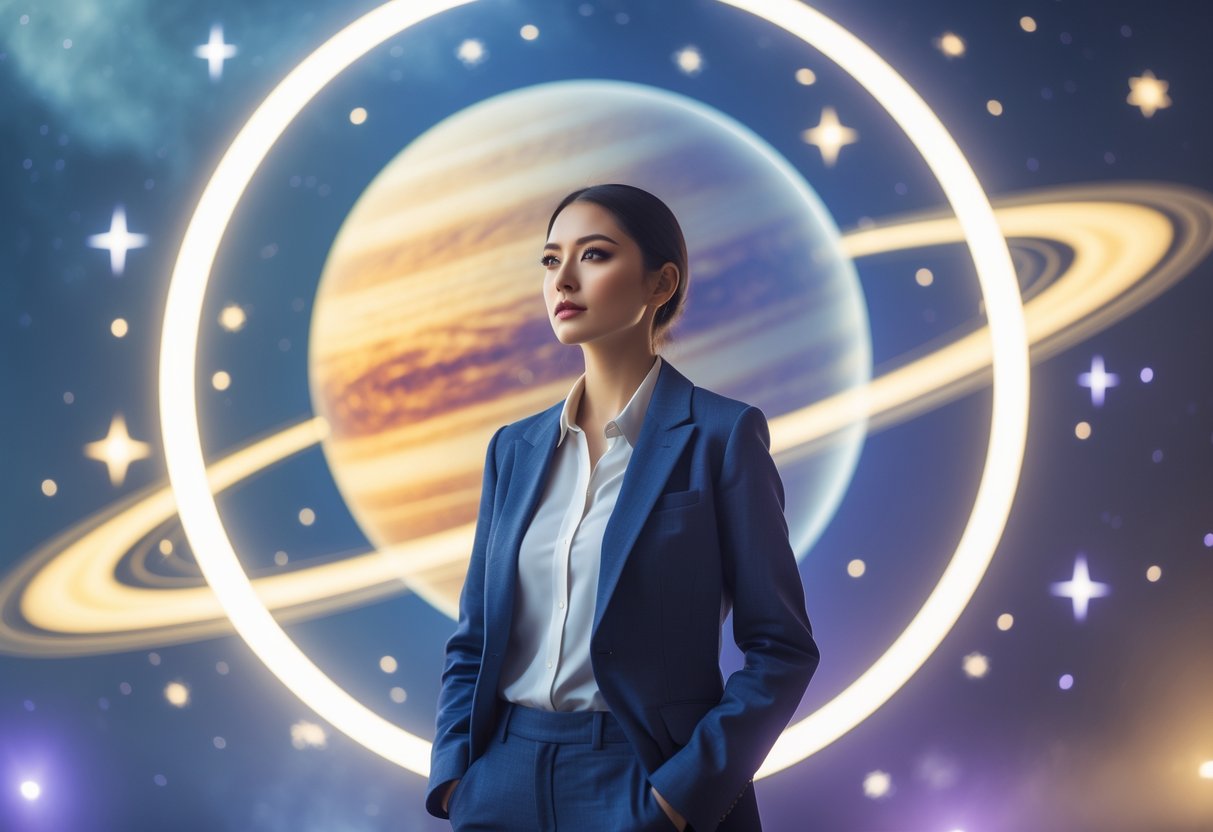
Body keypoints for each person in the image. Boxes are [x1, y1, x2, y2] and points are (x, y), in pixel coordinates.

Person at [426, 183, 820, 831]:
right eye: (551, 261)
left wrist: (678, 797)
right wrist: (454, 777)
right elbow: (474, 638)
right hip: (501, 777)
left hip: (643, 774)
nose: (564, 280)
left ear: (658, 284)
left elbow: (780, 648)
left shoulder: (722, 435)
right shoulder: (514, 450)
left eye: (595, 255)